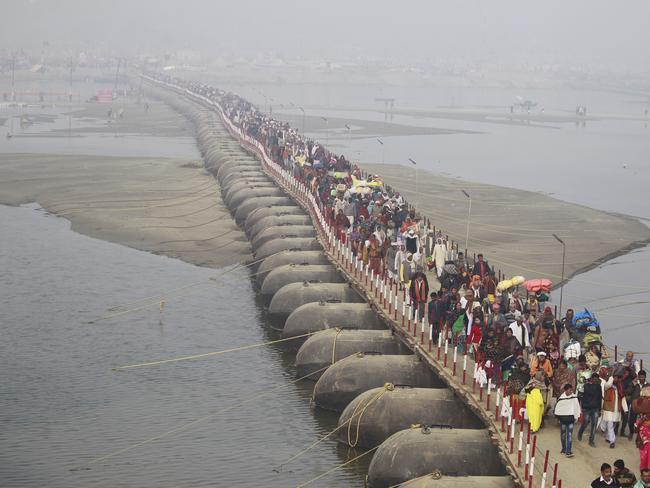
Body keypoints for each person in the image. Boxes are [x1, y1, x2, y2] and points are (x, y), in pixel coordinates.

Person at [553, 383, 580, 457]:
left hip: (571, 419)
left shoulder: (574, 397)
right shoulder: (561, 398)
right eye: (569, 390)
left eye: (571, 390)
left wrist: (576, 417)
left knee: (570, 435)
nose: (571, 392)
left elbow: (577, 408)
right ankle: (564, 449)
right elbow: (557, 409)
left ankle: (568, 451)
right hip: (563, 420)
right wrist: (558, 418)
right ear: (565, 390)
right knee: (563, 435)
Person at [579, 373, 603, 447]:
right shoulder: (586, 386)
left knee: (594, 424)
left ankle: (591, 441)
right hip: (586, 407)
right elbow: (581, 396)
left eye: (597, 379)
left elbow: (600, 398)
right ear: (591, 379)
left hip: (595, 408)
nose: (595, 380)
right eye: (594, 379)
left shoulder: (599, 387)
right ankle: (580, 432)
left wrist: (599, 409)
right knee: (586, 422)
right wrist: (582, 407)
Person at [602, 370, 623, 448]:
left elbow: (622, 398)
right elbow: (609, 384)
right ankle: (612, 441)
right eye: (615, 378)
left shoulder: (619, 387)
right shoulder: (607, 386)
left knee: (613, 424)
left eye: (617, 378)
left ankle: (608, 437)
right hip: (609, 409)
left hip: (616, 410)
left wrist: (626, 409)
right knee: (610, 424)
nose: (616, 379)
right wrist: (611, 377)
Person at [629, 371, 648, 440]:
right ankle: (631, 432)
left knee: (643, 422)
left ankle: (640, 436)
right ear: (638, 377)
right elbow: (628, 392)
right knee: (631, 421)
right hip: (635, 405)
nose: (641, 379)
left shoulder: (648, 385)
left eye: (642, 377)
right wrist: (633, 384)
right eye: (640, 377)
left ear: (645, 377)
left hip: (644, 407)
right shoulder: (634, 384)